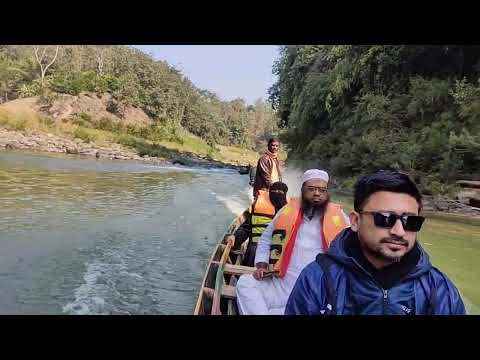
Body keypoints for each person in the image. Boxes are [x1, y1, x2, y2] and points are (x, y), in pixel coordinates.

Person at [285, 171, 466, 315]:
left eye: (411, 222)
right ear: (355, 221)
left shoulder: (439, 289)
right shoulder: (318, 280)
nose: (399, 231)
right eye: (385, 218)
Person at [235, 169, 350, 315]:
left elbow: (357, 246)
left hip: (313, 293)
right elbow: (265, 238)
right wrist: (262, 264)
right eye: (311, 189)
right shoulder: (287, 211)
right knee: (245, 283)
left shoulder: (340, 217)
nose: (317, 193)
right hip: (280, 284)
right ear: (302, 190)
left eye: (322, 190)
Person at [224, 182, 289, 267]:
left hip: (278, 253)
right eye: (274, 191)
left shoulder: (289, 212)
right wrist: (235, 237)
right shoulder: (259, 208)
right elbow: (246, 228)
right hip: (255, 251)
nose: (277, 194)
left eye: (280, 192)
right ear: (270, 192)